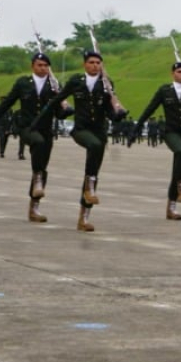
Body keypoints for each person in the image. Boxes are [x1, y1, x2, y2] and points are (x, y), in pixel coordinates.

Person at [34, 50, 127, 232]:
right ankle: (90, 186)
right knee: (94, 147)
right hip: (81, 130)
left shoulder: (106, 84)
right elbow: (57, 101)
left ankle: (83, 218)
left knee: (93, 172)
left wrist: (118, 115)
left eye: (98, 63)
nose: (95, 66)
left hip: (99, 131)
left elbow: (109, 110)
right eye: (91, 62)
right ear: (85, 64)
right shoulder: (76, 81)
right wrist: (37, 122)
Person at [0, 52, 72, 224]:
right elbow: (6, 103)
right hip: (27, 127)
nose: (43, 68)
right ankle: (37, 177)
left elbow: (59, 112)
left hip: (46, 129)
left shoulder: (54, 85)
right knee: (37, 146)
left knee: (43, 167)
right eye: (40, 65)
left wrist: (66, 111)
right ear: (32, 66)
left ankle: (34, 208)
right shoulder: (23, 83)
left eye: (46, 66)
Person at [130, 60, 181, 221]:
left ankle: (171, 207)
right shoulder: (165, 91)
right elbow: (150, 108)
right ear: (173, 74)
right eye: (179, 72)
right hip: (171, 132)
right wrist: (137, 127)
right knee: (180, 153)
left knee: (179, 167)